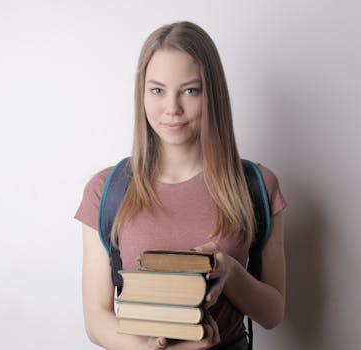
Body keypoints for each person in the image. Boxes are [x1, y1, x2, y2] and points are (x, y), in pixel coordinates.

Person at [75, 21, 287, 350]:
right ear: (141, 94)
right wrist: (150, 349)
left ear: (212, 93)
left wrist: (229, 271)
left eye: (190, 90)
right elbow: (95, 317)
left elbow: (273, 313)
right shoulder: (105, 191)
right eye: (157, 90)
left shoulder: (255, 186)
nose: (172, 108)